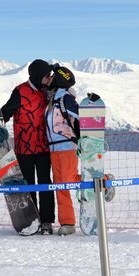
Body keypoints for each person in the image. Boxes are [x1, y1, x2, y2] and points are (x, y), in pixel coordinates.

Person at [1, 59, 55, 234]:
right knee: (28, 185)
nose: (50, 78)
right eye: (47, 75)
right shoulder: (20, 91)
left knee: (46, 184)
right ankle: (32, 219)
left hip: (44, 147)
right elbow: (5, 113)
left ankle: (46, 221)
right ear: (39, 75)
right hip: (24, 148)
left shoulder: (47, 92)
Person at [45, 66, 79, 236]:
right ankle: (67, 222)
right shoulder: (52, 100)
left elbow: (81, 119)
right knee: (61, 186)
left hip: (67, 147)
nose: (49, 79)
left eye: (52, 77)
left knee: (69, 180)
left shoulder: (66, 99)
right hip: (54, 150)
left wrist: (82, 140)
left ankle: (103, 182)